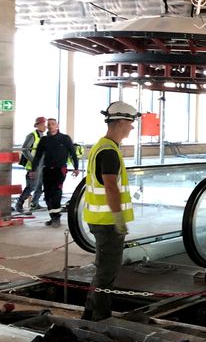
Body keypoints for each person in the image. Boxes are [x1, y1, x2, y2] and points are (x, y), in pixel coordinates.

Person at [81, 101, 140, 321]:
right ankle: (100, 320)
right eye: (131, 123)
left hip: (99, 219)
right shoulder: (109, 152)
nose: (132, 128)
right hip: (107, 222)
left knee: (102, 271)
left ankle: (89, 314)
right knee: (107, 274)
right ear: (122, 122)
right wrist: (118, 219)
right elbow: (111, 187)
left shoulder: (102, 146)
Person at [30, 118, 80, 227]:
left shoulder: (65, 138)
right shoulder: (44, 140)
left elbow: (73, 153)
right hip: (47, 169)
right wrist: (33, 170)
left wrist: (76, 167)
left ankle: (57, 217)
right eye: (49, 124)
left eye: (53, 124)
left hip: (60, 169)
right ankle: (52, 217)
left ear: (57, 125)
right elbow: (38, 156)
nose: (51, 126)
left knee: (56, 192)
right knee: (48, 194)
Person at [15, 117, 46, 213]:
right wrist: (34, 161)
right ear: (38, 125)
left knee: (40, 186)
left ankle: (35, 204)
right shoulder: (32, 135)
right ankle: (19, 204)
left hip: (41, 165)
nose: (45, 126)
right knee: (31, 186)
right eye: (43, 124)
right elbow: (24, 149)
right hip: (33, 166)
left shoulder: (42, 136)